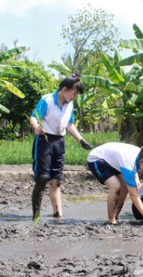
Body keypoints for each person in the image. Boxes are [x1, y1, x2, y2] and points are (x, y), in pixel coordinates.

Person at [30, 74, 92, 221]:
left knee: (57, 179)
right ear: (64, 89)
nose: (75, 97)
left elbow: (69, 125)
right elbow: (33, 116)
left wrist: (81, 140)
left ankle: (58, 214)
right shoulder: (48, 100)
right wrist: (35, 126)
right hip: (44, 141)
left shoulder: (69, 105)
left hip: (59, 142)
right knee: (42, 179)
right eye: (74, 93)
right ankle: (36, 216)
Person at [87, 142, 143, 225]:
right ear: (142, 161)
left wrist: (135, 176)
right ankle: (111, 220)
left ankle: (116, 215)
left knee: (125, 187)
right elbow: (133, 195)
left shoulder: (141, 155)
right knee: (115, 187)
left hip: (113, 162)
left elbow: (133, 165)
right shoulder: (129, 163)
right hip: (97, 159)